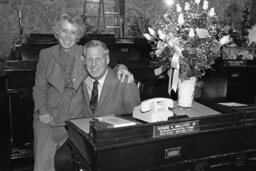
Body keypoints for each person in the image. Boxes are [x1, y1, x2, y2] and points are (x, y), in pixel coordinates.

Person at [33, 13, 133, 171]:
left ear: (78, 34)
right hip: (49, 116)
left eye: (73, 32)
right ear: (57, 32)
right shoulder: (45, 55)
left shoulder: (83, 52)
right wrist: (42, 110)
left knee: (66, 158)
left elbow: (105, 61)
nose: (67, 37)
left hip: (75, 117)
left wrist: (122, 67)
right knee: (43, 158)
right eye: (64, 31)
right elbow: (39, 87)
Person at [54, 40, 141, 171]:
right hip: (86, 137)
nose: (93, 64)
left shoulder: (123, 80)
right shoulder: (82, 80)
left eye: (98, 59)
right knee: (61, 158)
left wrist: (121, 66)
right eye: (89, 59)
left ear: (107, 59)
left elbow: (137, 120)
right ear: (84, 61)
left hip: (114, 141)